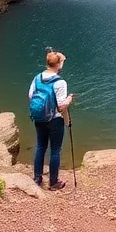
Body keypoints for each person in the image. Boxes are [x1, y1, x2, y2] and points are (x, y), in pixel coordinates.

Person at [29, 50, 73, 191]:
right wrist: (69, 99)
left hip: (39, 118)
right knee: (55, 150)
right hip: (55, 120)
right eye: (62, 62)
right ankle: (53, 182)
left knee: (40, 146)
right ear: (58, 64)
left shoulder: (37, 78)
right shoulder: (60, 82)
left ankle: (37, 178)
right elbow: (61, 106)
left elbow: (30, 96)